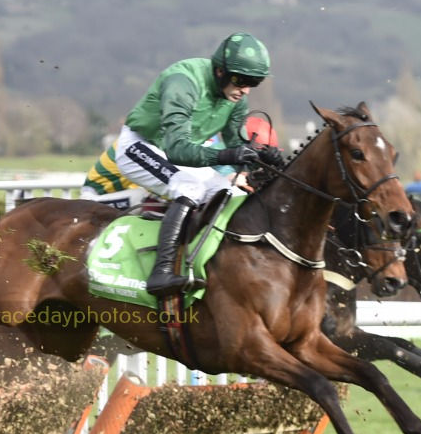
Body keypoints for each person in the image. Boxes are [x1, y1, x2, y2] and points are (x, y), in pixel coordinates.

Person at [83, 32, 285, 297]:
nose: (245, 89)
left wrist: (262, 155)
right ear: (220, 71)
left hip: (181, 151)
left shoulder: (236, 98)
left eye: (253, 83)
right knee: (188, 188)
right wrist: (229, 156)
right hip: (141, 146)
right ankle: (161, 272)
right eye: (242, 81)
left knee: (231, 195)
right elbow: (177, 149)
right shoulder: (183, 82)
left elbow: (236, 141)